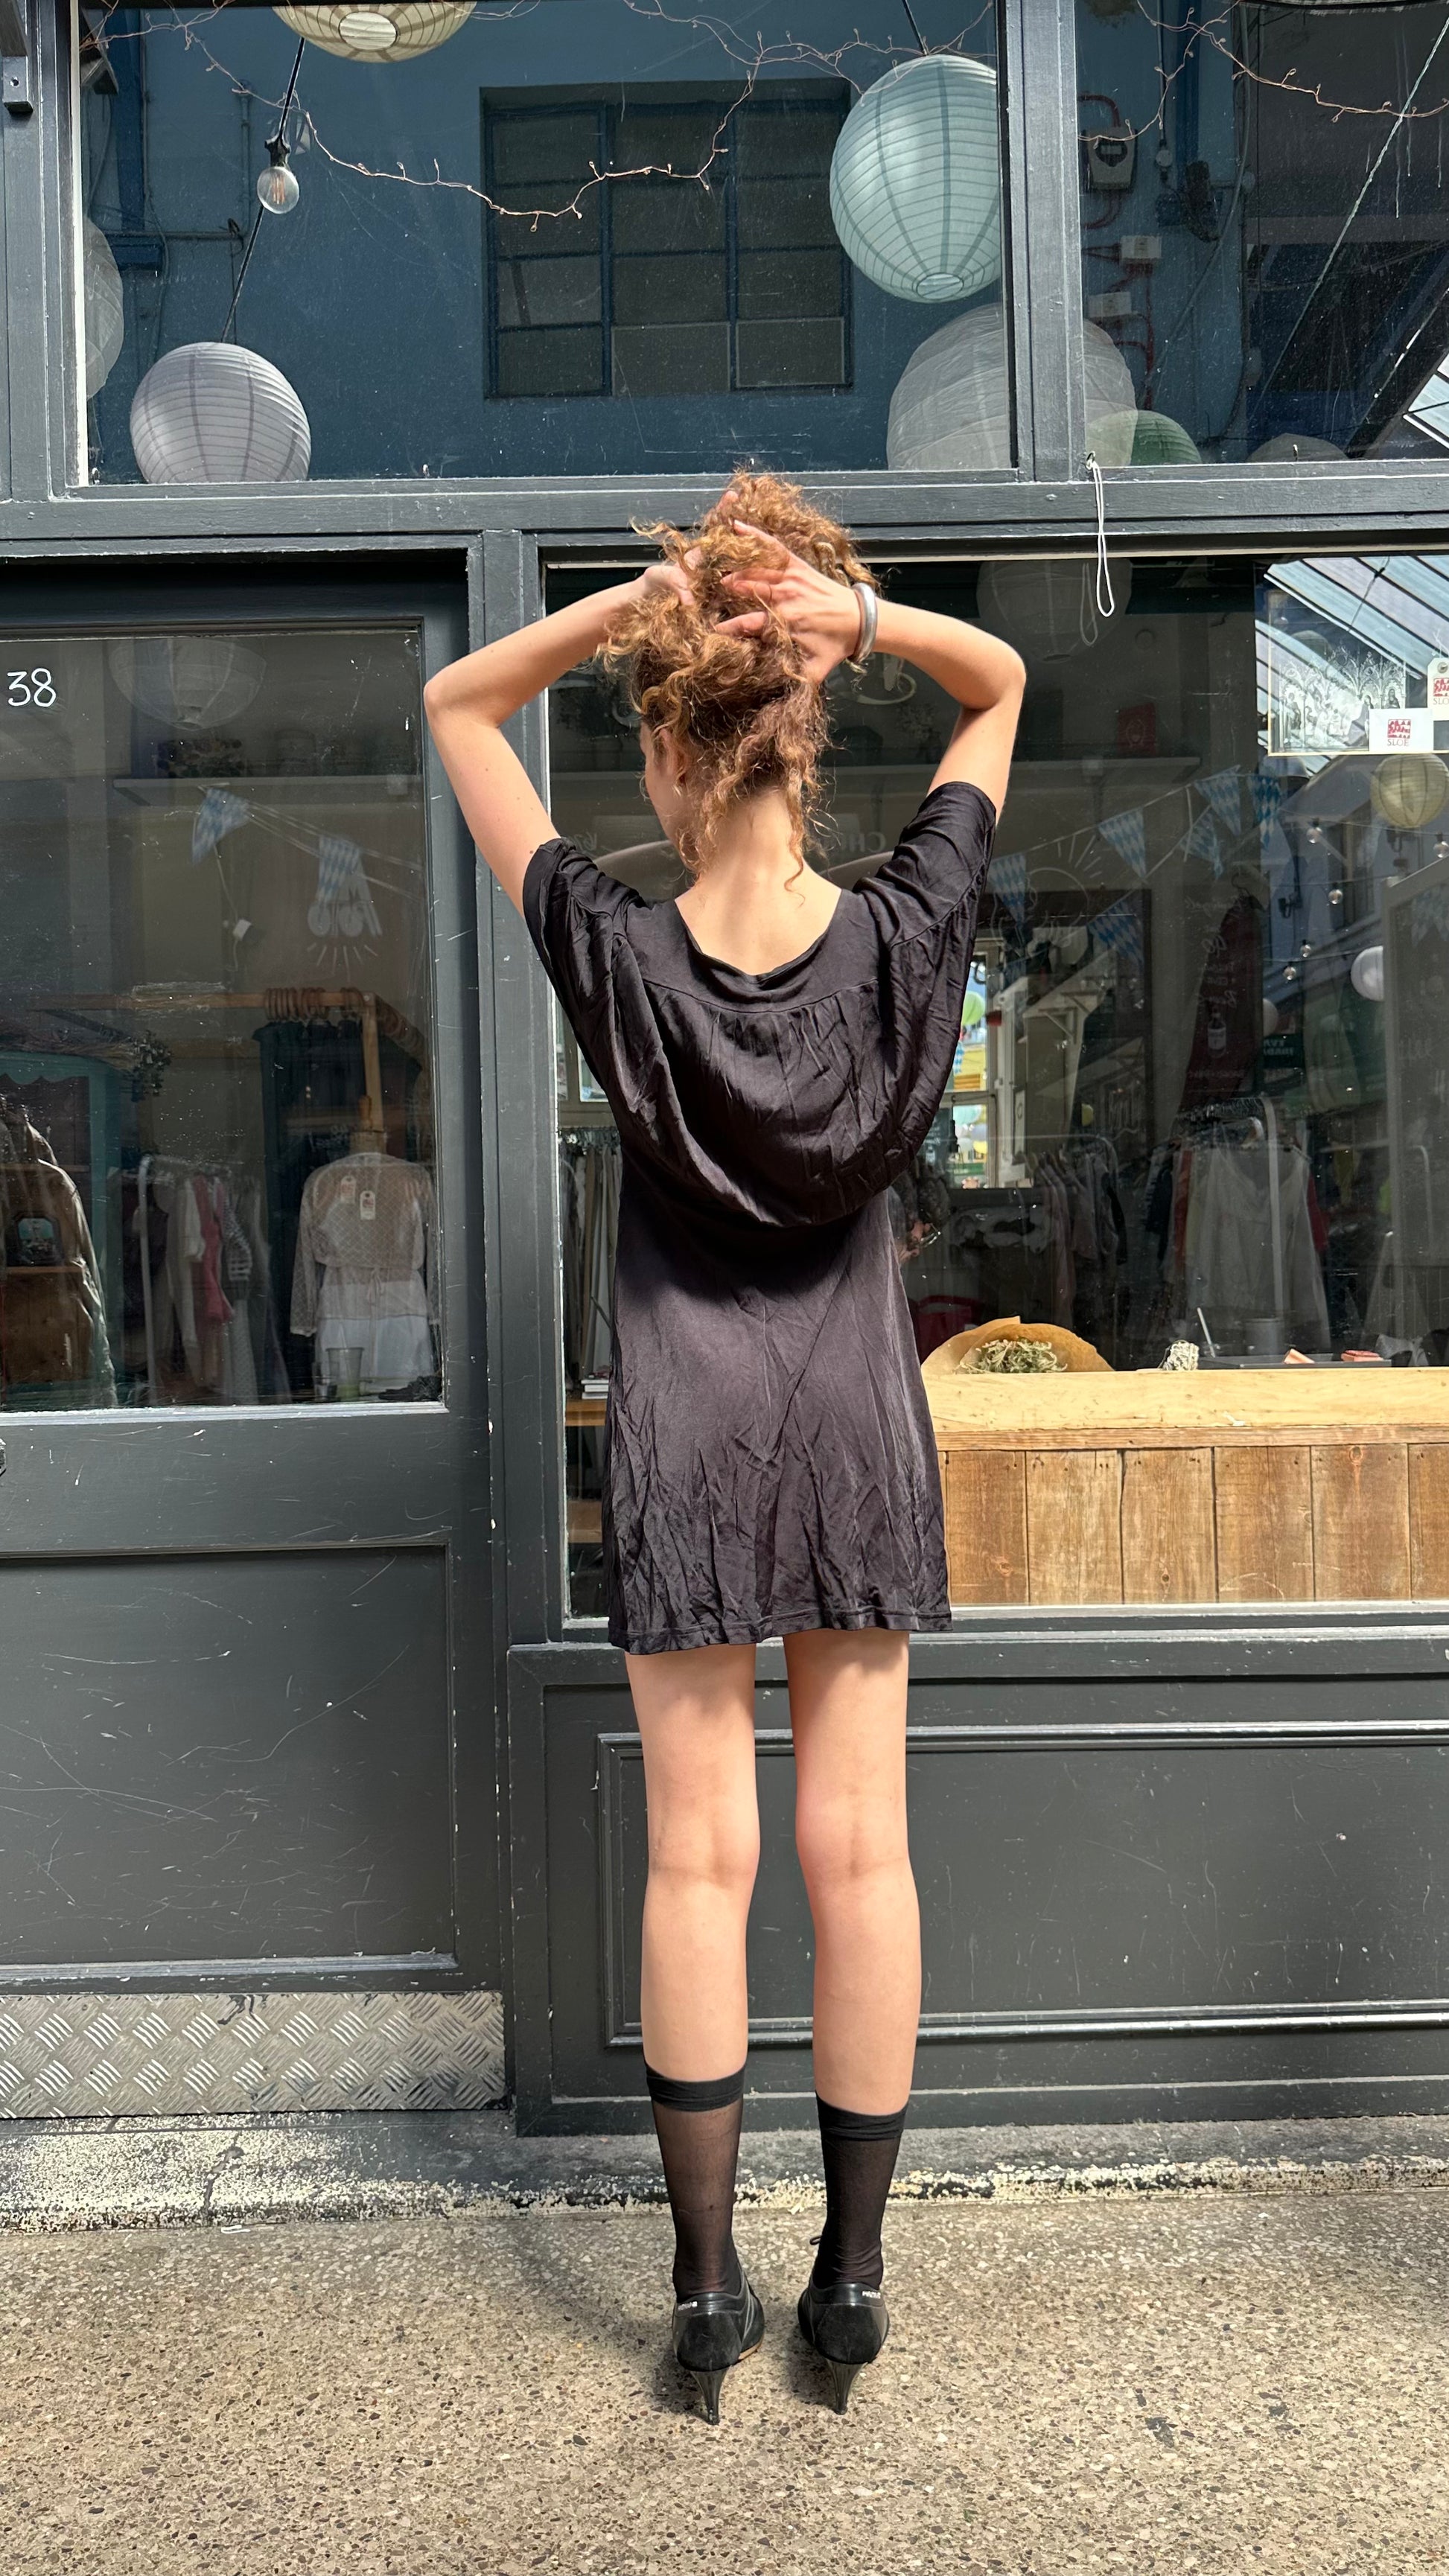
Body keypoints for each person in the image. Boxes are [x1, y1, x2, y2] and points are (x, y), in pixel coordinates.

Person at [425, 476, 1024, 2423]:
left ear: (672, 752)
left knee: (701, 1857)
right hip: (852, 1416)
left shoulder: (614, 947)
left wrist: (642, 608)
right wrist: (851, 620)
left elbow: (453, 705)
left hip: (683, 1419)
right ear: (803, 732)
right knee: (864, 1853)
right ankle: (851, 2281)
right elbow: (1002, 682)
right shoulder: (907, 927)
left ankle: (701, 2291)